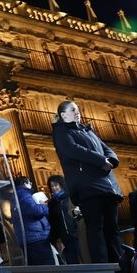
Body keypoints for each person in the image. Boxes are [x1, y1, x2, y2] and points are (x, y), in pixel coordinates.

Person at [52, 100, 123, 263]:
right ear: (63, 115)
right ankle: (103, 266)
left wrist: (111, 159)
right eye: (73, 110)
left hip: (107, 186)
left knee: (112, 229)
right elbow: (73, 150)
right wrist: (100, 161)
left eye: (78, 109)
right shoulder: (61, 132)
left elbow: (106, 148)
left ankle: (118, 263)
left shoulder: (88, 130)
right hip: (88, 188)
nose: (77, 112)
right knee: (95, 228)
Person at [12, 176, 55, 265]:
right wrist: (44, 205)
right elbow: (36, 211)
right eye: (29, 183)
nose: (31, 185)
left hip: (28, 238)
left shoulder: (15, 196)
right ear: (24, 184)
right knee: (48, 270)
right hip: (36, 237)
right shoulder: (24, 194)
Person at [47, 174, 82, 264]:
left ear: (61, 185)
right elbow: (53, 222)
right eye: (52, 186)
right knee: (72, 261)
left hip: (77, 233)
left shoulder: (70, 197)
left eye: (56, 185)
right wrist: (57, 238)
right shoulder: (52, 203)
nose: (54, 188)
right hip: (65, 238)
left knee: (84, 257)